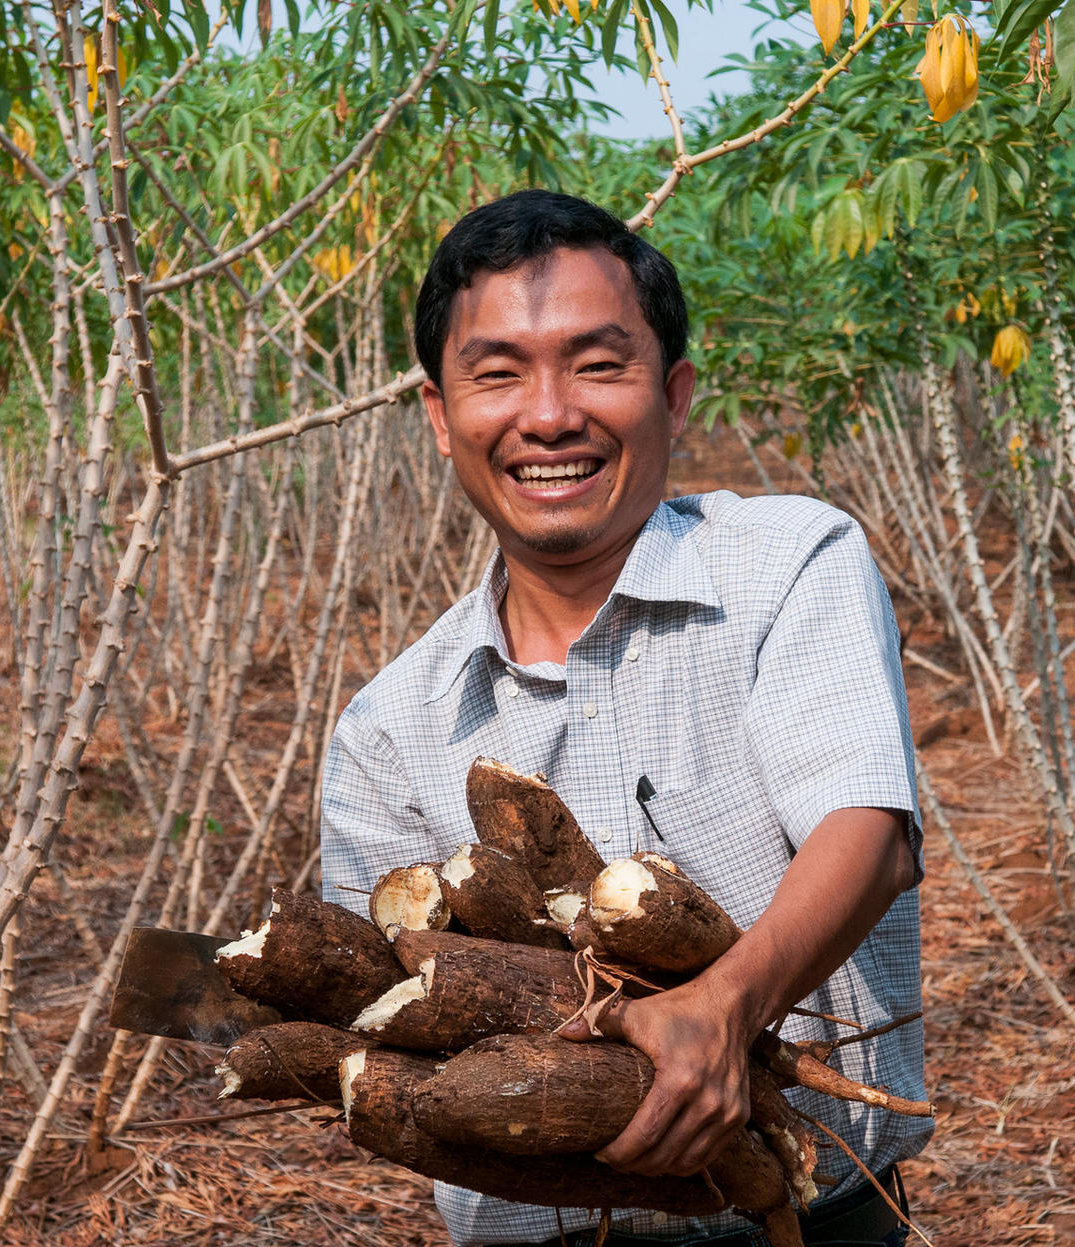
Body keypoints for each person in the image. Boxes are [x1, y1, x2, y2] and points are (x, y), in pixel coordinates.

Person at [319, 188, 929, 1247]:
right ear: (438, 413)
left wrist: (729, 1007)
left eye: (598, 364)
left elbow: (868, 834)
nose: (549, 414)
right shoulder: (389, 726)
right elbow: (383, 1006)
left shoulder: (789, 564)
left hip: (809, 1219)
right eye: (498, 372)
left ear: (675, 392)